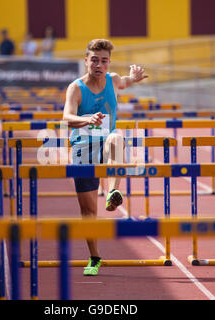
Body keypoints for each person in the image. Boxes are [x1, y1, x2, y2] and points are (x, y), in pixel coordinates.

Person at [63, 39, 148, 276]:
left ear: (109, 63)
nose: (99, 65)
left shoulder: (113, 80)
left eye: (104, 61)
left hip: (107, 143)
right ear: (86, 61)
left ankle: (113, 191)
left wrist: (135, 77)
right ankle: (94, 257)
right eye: (94, 60)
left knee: (117, 138)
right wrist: (86, 119)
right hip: (83, 149)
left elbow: (127, 81)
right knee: (89, 212)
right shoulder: (76, 88)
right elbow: (67, 116)